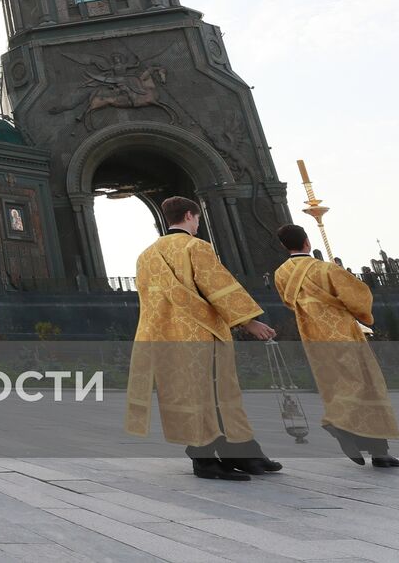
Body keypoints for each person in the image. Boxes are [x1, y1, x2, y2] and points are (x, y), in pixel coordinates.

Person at [125, 196, 281, 481]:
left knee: (196, 395)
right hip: (199, 335)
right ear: (189, 216)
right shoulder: (195, 247)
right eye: (196, 219)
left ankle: (245, 453)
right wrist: (249, 322)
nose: (197, 225)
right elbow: (217, 286)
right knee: (216, 395)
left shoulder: (145, 256)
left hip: (164, 337)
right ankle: (205, 460)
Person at [274, 224, 399, 467]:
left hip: (312, 335)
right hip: (342, 334)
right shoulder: (325, 269)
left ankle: (377, 450)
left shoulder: (281, 274)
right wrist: (361, 315)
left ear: (283, 246)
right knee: (365, 385)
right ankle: (342, 426)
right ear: (307, 242)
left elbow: (290, 303)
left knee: (336, 385)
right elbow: (358, 297)